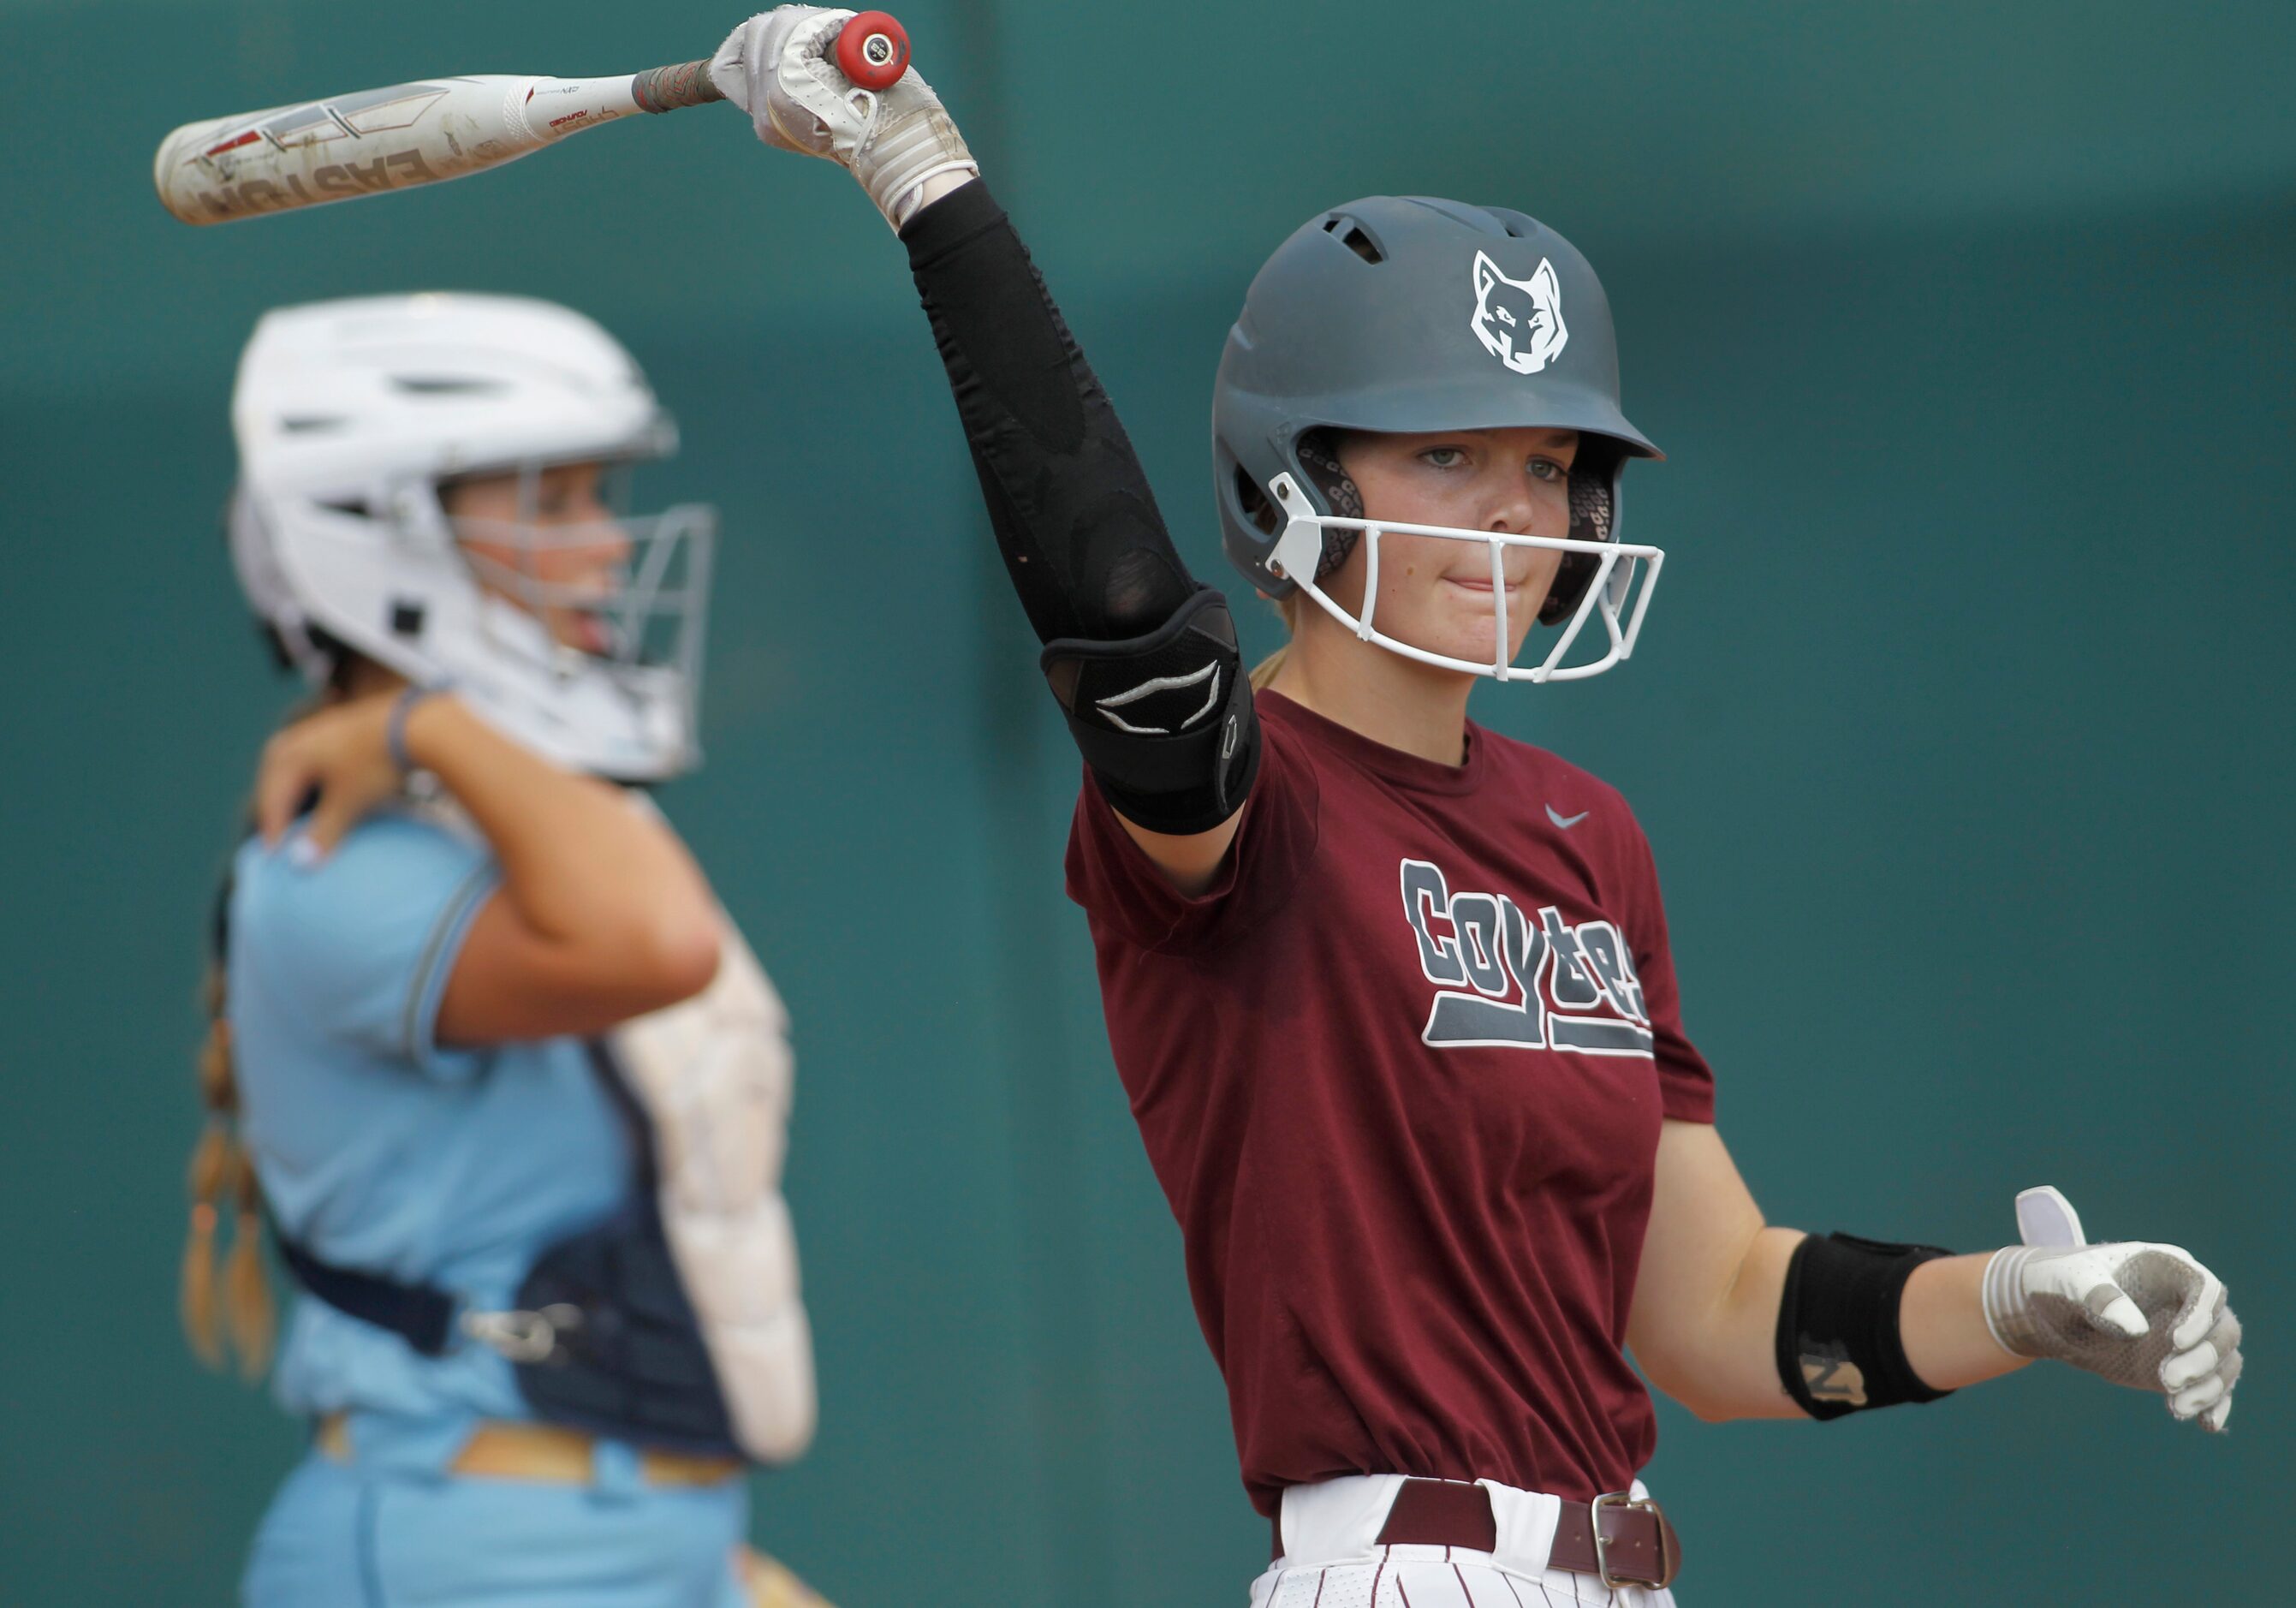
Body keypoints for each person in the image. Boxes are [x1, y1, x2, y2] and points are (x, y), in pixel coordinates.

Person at [709, 11, 2250, 1605]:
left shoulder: (1585, 832)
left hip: (1623, 1565)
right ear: (1292, 477)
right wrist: (922, 178)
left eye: (1548, 462)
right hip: (1402, 1563)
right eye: (1445, 452)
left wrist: (2021, 1299)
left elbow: (1717, 1311)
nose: (1517, 511)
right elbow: (1125, 620)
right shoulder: (1242, 796)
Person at [182, 291, 829, 1608]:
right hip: (471, 1543)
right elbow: (656, 943)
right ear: (382, 546)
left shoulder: (505, 831)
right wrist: (435, 723)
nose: (602, 551)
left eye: (599, 499)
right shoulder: (331, 870)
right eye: (552, 507)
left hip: (638, 1538)